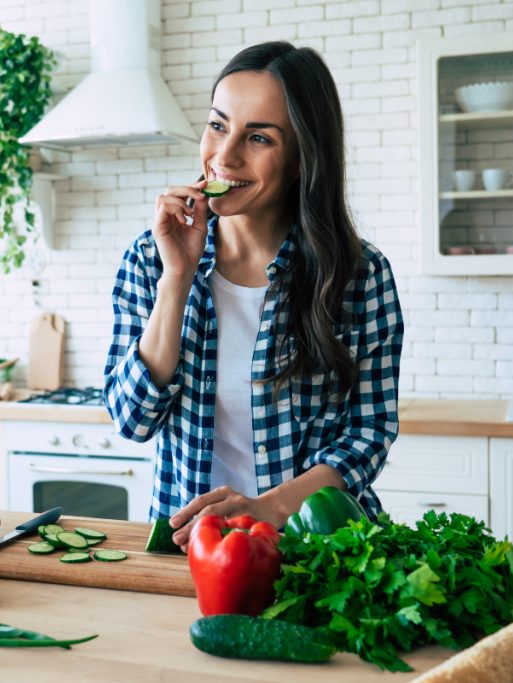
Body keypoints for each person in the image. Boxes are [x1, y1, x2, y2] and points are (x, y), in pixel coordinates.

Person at [103, 41, 404, 551]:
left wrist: (269, 510)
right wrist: (176, 279)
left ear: (302, 157)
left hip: (318, 551)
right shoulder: (152, 257)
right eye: (218, 125)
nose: (224, 155)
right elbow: (132, 419)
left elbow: (368, 435)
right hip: (190, 549)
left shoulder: (358, 275)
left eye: (259, 137)